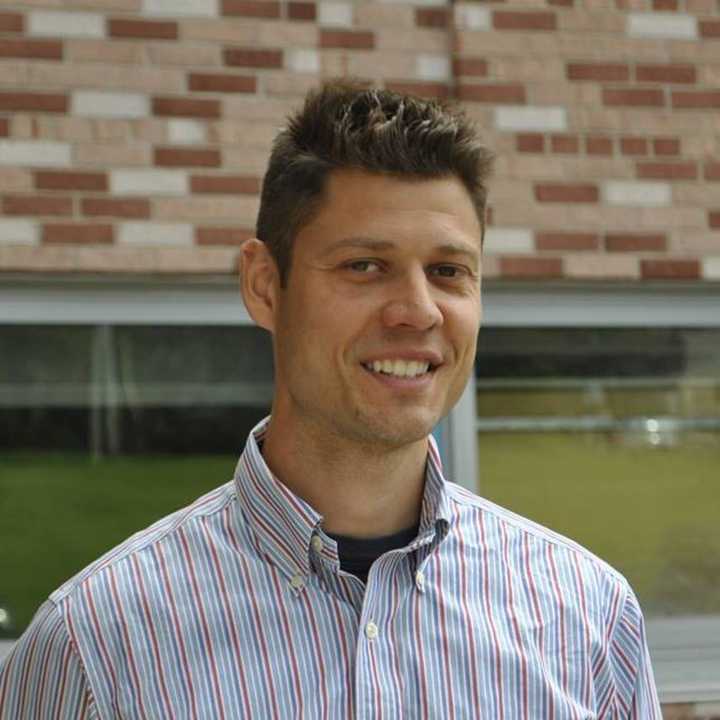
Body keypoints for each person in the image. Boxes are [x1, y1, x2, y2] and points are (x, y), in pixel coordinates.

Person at [0, 81, 661, 719]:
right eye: (364, 265)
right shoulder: (95, 645)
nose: (417, 310)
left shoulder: (588, 617)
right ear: (264, 286)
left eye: (448, 271)